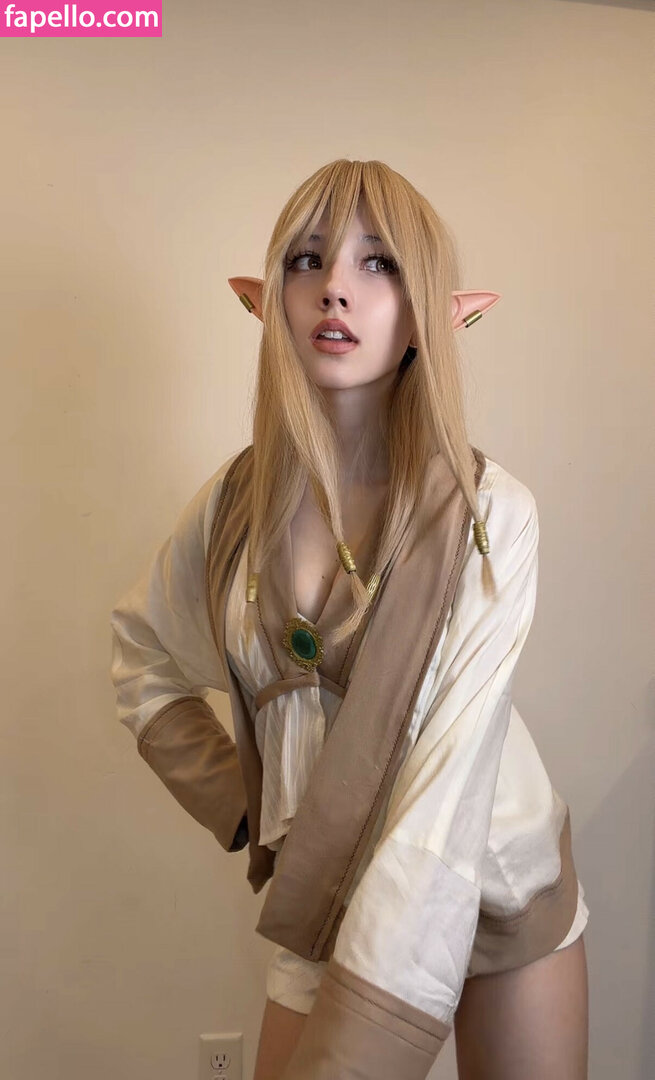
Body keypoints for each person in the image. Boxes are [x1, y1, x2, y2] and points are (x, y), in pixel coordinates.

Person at [110, 159, 589, 1079]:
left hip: (495, 883)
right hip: (324, 894)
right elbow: (144, 654)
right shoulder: (232, 507)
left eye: (380, 263)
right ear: (269, 300)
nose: (335, 287)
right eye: (307, 259)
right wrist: (245, 803)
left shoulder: (491, 513)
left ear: (430, 311)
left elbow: (446, 783)